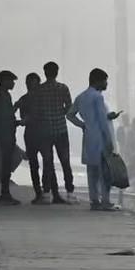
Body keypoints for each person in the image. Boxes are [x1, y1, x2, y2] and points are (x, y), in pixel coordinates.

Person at [67, 68, 118, 211]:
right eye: (104, 80)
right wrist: (109, 140)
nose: (106, 83)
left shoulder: (81, 97)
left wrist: (83, 125)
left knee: (92, 171)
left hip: (89, 137)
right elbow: (102, 120)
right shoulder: (98, 97)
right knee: (105, 172)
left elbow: (70, 115)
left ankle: (94, 201)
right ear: (97, 81)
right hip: (101, 138)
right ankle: (106, 201)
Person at [18, 72, 63, 205]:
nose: (31, 87)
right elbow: (24, 116)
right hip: (32, 134)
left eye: (33, 84)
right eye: (29, 84)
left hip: (44, 134)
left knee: (48, 163)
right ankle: (40, 193)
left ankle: (51, 192)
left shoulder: (44, 98)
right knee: (35, 165)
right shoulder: (24, 99)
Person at [37, 62, 77, 203]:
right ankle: (70, 193)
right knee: (65, 162)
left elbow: (36, 110)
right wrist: (61, 111)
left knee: (47, 163)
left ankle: (46, 194)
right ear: (57, 72)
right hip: (60, 130)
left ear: (45, 72)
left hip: (45, 131)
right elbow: (70, 108)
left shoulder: (39, 90)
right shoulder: (63, 88)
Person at [0, 70, 22, 205]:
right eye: (11, 81)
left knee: (6, 164)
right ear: (4, 81)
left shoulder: (1, 96)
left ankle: (5, 193)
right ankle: (5, 194)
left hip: (4, 134)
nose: (13, 83)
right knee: (6, 164)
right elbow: (5, 117)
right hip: (6, 135)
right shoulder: (4, 97)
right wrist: (16, 117)